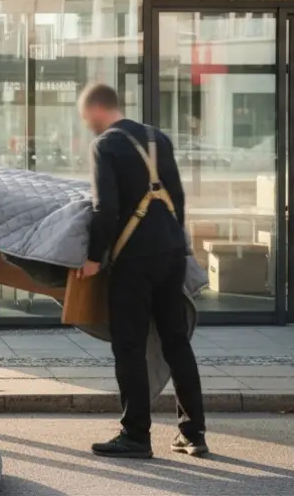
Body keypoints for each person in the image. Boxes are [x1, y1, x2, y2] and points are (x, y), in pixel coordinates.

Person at [75, 83, 207, 458]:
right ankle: (193, 433)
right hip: (171, 254)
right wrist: (179, 248)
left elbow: (106, 209)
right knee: (175, 341)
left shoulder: (106, 145)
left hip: (134, 259)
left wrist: (94, 258)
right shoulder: (157, 138)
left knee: (129, 345)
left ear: (97, 110)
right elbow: (177, 198)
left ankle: (135, 435)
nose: (87, 124)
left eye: (86, 117)